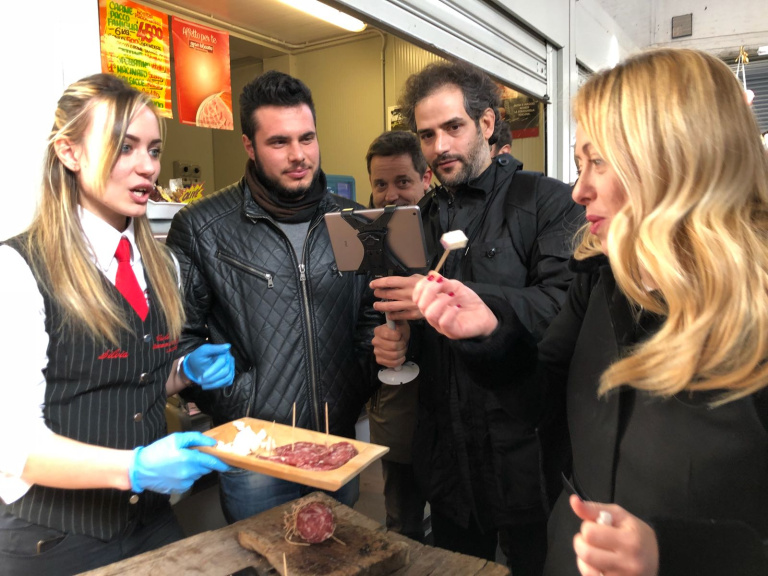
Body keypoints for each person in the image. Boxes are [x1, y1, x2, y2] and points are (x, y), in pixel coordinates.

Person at [411, 48, 768, 576]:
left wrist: (671, 552)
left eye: (598, 162)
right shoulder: (602, 279)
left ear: (677, 157)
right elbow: (542, 401)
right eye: (580, 165)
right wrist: (489, 334)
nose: (579, 190)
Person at [0, 73, 234, 575]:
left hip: (149, 521)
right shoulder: (17, 271)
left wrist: (183, 371)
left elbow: (128, 378)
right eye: (125, 147)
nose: (147, 166)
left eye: (153, 150)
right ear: (69, 152)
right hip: (56, 538)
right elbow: (13, 447)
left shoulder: (163, 266)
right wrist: (135, 467)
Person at [370, 61, 583, 574]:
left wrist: (460, 300)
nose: (440, 146)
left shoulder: (547, 201)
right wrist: (399, 340)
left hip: (528, 453)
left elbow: (562, 308)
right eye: (427, 135)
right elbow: (412, 322)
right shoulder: (417, 220)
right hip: (448, 460)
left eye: (453, 127)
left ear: (487, 124)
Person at [165, 70, 380, 523]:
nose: (298, 155)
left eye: (307, 138)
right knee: (262, 555)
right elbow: (180, 336)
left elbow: (371, 315)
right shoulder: (203, 228)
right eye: (279, 142)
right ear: (249, 145)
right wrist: (237, 401)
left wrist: (359, 381)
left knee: (339, 553)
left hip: (337, 441)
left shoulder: (354, 220)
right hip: (255, 454)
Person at [364, 130, 431, 541]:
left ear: (426, 179)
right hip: (396, 408)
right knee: (402, 524)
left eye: (403, 181)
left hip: (451, 409)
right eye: (380, 184)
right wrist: (375, 339)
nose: (391, 195)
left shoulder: (451, 235)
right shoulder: (358, 242)